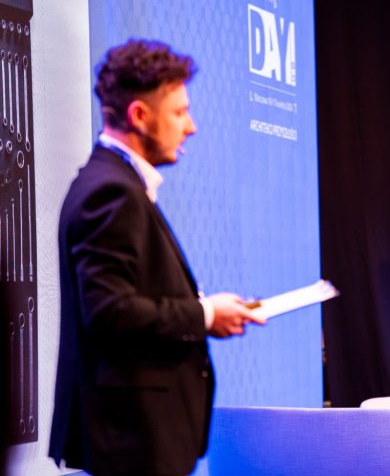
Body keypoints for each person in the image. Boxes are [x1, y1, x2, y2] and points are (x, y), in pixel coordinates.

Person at [49, 39, 265, 476]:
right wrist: (205, 315)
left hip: (137, 436)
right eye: (180, 112)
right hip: (132, 438)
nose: (191, 127)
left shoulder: (113, 184)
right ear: (139, 116)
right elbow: (109, 311)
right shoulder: (111, 191)